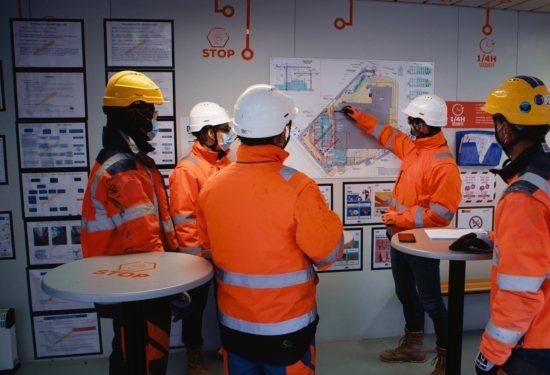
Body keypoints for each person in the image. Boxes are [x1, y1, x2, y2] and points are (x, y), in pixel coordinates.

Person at [195, 84, 344, 375]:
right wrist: (330, 219)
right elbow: (328, 254)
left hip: (234, 326)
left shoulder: (212, 187)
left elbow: (208, 249)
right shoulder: (298, 188)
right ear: (282, 132)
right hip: (287, 328)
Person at [473, 76, 550, 375]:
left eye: (496, 120)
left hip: (536, 345)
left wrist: (492, 352)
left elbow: (520, 290)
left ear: (505, 127)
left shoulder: (524, 195)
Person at [343, 94, 462, 375]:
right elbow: (387, 134)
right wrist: (359, 117)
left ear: (422, 125)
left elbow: (441, 214)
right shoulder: (414, 148)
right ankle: (414, 347)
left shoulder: (443, 165)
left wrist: (398, 217)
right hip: (400, 239)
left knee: (431, 301)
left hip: (422, 243)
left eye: (412, 120)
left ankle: (448, 360)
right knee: (406, 294)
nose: (407, 124)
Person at [80, 71, 180, 375]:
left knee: (126, 355)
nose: (155, 118)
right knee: (144, 358)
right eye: (152, 111)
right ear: (134, 112)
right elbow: (143, 244)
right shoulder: (123, 170)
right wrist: (170, 287)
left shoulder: (128, 160)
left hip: (128, 283)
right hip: (139, 288)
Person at [169, 102, 236, 375]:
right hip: (200, 257)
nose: (229, 134)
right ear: (209, 133)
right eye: (225, 130)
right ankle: (193, 361)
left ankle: (231, 352)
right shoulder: (187, 170)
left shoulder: (226, 163)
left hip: (227, 253)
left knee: (232, 305)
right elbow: (183, 220)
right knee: (194, 312)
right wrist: (195, 262)